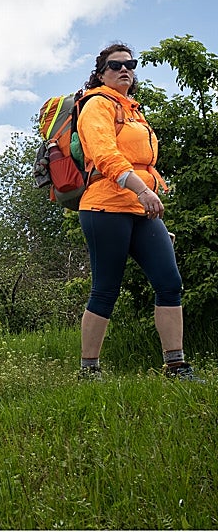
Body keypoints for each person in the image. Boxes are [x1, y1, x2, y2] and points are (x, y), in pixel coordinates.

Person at [75, 44, 199, 381]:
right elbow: (104, 155)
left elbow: (146, 166)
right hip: (104, 207)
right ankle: (89, 371)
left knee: (169, 282)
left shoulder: (133, 112)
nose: (124, 69)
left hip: (142, 211)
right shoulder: (96, 105)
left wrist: (152, 207)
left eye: (130, 64)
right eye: (115, 65)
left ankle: (176, 366)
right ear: (101, 73)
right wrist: (142, 190)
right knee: (105, 288)